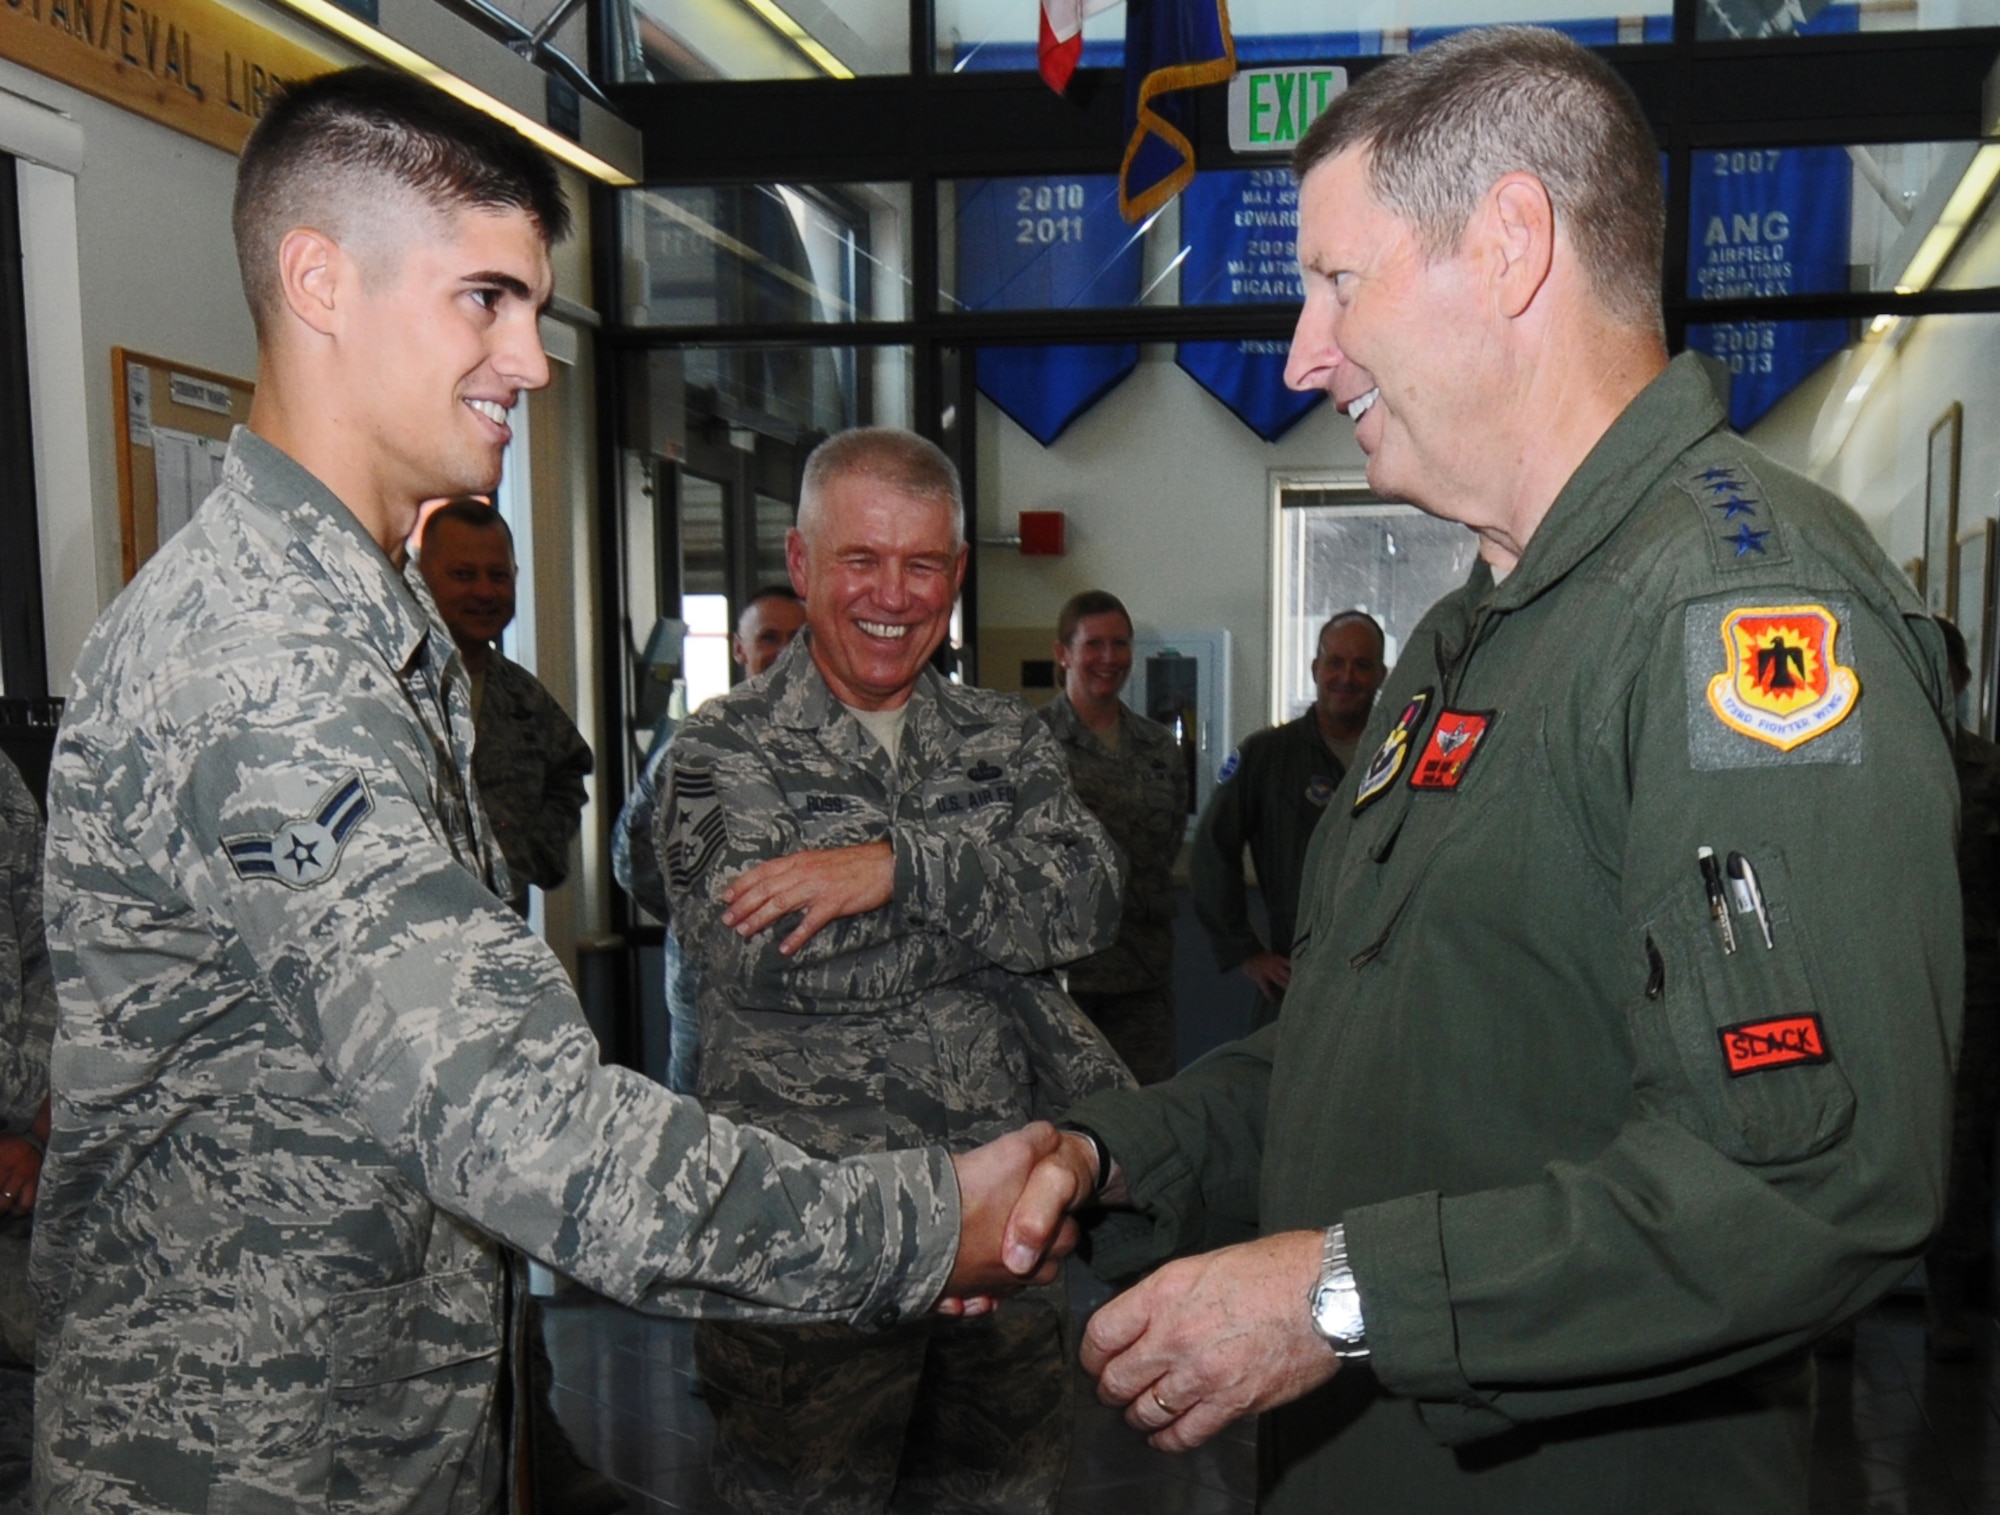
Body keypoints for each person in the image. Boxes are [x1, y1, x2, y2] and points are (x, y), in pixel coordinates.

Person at [31, 69, 1073, 1515]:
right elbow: (513, 1118)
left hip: (368, 1427)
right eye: (485, 300)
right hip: (235, 1454)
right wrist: (913, 1223)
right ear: (319, 281)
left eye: (533, 308)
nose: (530, 359)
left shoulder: (361, 628)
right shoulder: (260, 656)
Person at [1002, 26, 1961, 1513]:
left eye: (1337, 280)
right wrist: (1111, 1154)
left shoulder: (1735, 616)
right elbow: (1371, 1048)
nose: (1303, 352)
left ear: (1511, 245)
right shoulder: (1468, 633)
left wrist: (1337, 1295)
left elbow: (1815, 1178)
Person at [659, 427, 1133, 1514]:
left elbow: (1090, 900)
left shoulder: (1004, 742)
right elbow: (766, 956)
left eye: (922, 565)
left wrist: (895, 870)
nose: (892, 594)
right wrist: (993, 913)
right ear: (801, 563)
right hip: (805, 1245)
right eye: (860, 560)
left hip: (999, 1238)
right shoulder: (716, 754)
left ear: (957, 576)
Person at [613, 585, 806, 1092]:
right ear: (740, 649)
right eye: (769, 637)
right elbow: (634, 859)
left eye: (799, 637)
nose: (784, 651)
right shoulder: (698, 745)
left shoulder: (842, 746)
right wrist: (710, 923)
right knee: (703, 1146)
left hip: (811, 1010)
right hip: (711, 998)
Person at [1188, 611, 1384, 1029]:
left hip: (1383, 978)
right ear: (1316, 668)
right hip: (1296, 981)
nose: (1346, 676)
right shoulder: (1267, 756)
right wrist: (1245, 951)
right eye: (1335, 662)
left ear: (1382, 675)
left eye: (1362, 665)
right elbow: (1211, 850)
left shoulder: (1402, 755)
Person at [1037, 589, 1188, 1084]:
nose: (1108, 659)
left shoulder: (1159, 747)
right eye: (1093, 644)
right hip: (1061, 981)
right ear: (1063, 653)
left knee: (1145, 1121)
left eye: (1119, 645)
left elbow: (1166, 844)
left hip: (1143, 977)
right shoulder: (1029, 744)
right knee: (1060, 1126)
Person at [418, 496, 593, 914]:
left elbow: (568, 771)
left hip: (501, 937)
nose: (484, 591)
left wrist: (529, 856)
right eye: (463, 574)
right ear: (421, 577)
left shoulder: (524, 698)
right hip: (404, 934)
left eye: (498, 575)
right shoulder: (389, 680)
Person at [1926, 616, 2000, 1360]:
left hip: (1974, 984)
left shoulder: (1988, 770)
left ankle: (1954, 1304)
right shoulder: (1879, 763)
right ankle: (1840, 1314)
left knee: (1961, 1149)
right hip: (1891, 981)